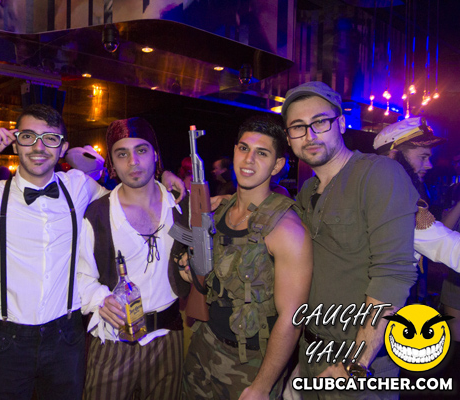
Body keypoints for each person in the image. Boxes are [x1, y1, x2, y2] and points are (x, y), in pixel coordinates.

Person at [0, 105, 185, 399]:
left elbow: (128, 195)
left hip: (67, 337)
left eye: (49, 138)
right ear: (15, 143)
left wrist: (163, 177)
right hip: (8, 340)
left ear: (62, 148)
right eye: (28, 136)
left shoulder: (79, 187)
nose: (38, 147)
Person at [281, 81, 418, 398]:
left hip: (360, 363)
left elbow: (393, 274)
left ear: (341, 123)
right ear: (289, 138)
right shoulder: (306, 192)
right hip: (312, 352)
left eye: (320, 122)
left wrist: (356, 362)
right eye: (298, 127)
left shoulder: (378, 174)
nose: (310, 135)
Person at [181, 116, 313, 400]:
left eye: (262, 153)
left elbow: (292, 318)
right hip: (203, 346)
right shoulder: (219, 210)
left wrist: (261, 387)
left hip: (249, 365)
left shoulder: (287, 230)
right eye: (243, 148)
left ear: (277, 165)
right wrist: (189, 266)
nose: (248, 160)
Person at [77, 117, 190, 400]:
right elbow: (81, 275)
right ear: (112, 164)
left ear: (156, 154)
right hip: (115, 340)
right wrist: (100, 299)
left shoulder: (180, 206)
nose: (133, 162)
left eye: (141, 150)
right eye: (122, 154)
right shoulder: (97, 214)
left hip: (169, 337)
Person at [373, 117, 460, 272]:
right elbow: (449, 247)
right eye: (422, 157)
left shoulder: (379, 188)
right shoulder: (394, 202)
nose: (429, 165)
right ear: (393, 156)